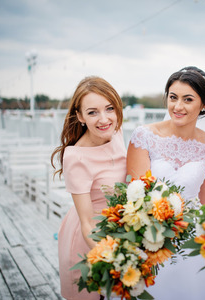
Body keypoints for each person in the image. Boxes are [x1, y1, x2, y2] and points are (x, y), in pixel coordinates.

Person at [127, 66, 205, 299]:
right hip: (149, 235)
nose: (178, 106)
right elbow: (136, 193)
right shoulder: (144, 136)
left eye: (187, 99)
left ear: (204, 105)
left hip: (193, 239)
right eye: (173, 97)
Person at [51, 76, 127, 300]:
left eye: (109, 108)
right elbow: (86, 222)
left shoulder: (117, 133)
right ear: (80, 116)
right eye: (93, 112)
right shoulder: (76, 157)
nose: (104, 119)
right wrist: (109, 257)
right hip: (89, 238)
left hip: (118, 232)